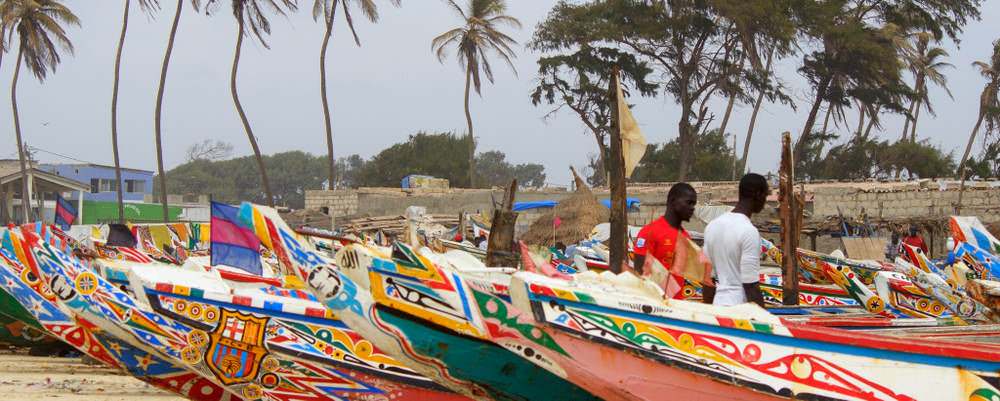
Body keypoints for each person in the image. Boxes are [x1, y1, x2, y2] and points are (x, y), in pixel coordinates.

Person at [704, 173, 769, 307]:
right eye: (765, 195)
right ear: (758, 194)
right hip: (740, 309)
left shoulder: (712, 226)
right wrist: (767, 321)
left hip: (718, 305)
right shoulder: (749, 231)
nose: (765, 201)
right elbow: (751, 286)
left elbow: (706, 280)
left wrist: (711, 314)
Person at [633, 183, 697, 298]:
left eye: (694, 204)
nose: (692, 208)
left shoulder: (686, 237)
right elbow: (639, 272)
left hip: (676, 307)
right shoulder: (649, 232)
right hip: (654, 305)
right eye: (689, 203)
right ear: (673, 201)